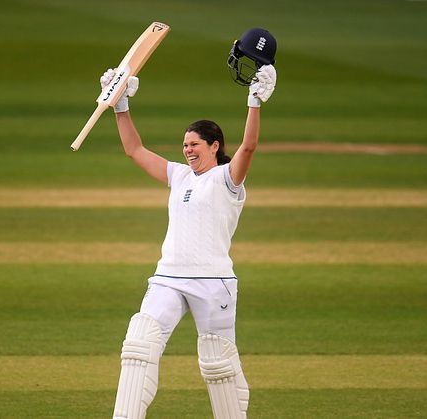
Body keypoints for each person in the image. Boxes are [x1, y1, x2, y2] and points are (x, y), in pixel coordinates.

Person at [105, 39, 277, 419]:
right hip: (168, 277)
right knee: (138, 345)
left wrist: (254, 102)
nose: (187, 150)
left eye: (195, 144)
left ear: (214, 146)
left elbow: (248, 149)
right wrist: (121, 105)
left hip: (213, 281)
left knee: (218, 365)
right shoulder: (179, 176)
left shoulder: (227, 179)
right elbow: (135, 150)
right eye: (184, 144)